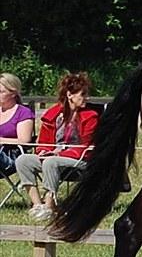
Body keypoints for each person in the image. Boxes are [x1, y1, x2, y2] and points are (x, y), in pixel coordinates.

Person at [15, 72, 99, 221]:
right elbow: (43, 142)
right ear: (69, 95)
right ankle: (37, 205)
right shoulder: (53, 115)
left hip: (81, 159)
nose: (87, 98)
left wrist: (57, 155)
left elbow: (87, 146)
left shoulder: (91, 116)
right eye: (83, 94)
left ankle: (50, 206)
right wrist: (44, 152)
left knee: (51, 162)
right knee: (23, 160)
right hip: (54, 156)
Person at [0, 73, 35, 174]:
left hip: (10, 156)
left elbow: (24, 140)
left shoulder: (23, 113)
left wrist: (1, 140)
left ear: (13, 93)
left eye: (1, 92)